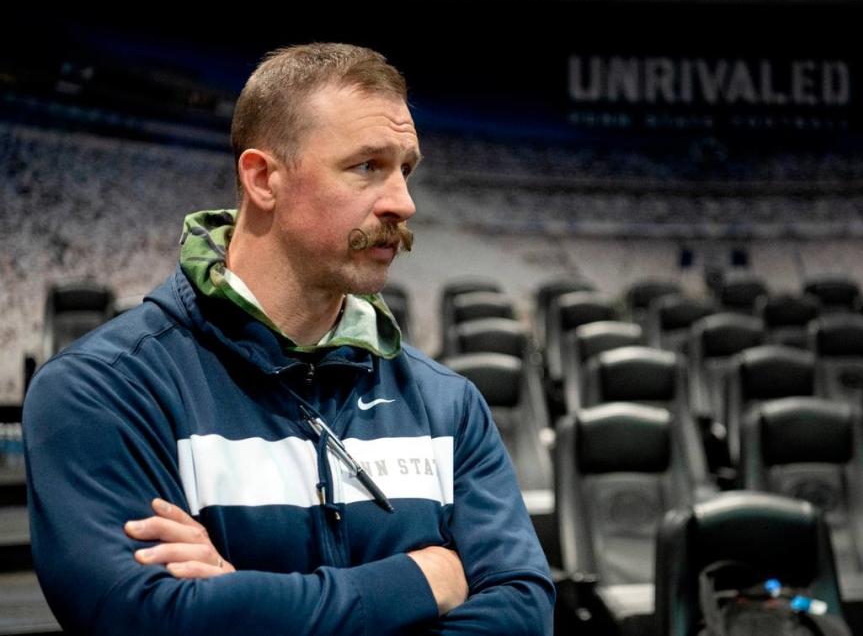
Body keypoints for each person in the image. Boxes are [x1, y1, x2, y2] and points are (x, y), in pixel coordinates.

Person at [23, 42, 555, 634]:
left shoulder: (447, 403)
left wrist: (242, 604)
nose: (403, 202)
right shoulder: (102, 392)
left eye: (406, 169)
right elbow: (142, 619)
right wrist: (426, 579)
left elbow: (524, 611)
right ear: (263, 178)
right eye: (366, 167)